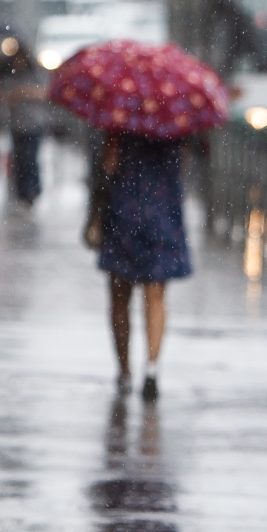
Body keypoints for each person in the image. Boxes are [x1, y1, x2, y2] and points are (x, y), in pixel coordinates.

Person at [98, 131, 192, 401]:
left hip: (124, 207)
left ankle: (124, 370)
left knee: (119, 295)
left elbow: (109, 164)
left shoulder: (120, 117)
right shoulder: (176, 118)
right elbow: (181, 165)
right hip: (163, 209)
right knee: (156, 294)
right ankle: (151, 368)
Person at [0, 44, 47, 204]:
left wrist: (26, 92)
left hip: (34, 124)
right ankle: (21, 191)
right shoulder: (11, 76)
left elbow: (45, 93)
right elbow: (3, 95)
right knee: (19, 159)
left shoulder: (35, 75)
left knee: (30, 158)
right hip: (16, 124)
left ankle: (32, 191)